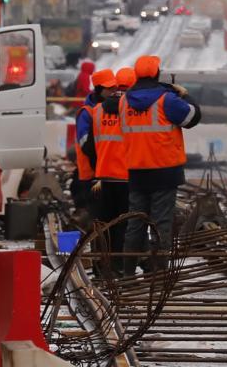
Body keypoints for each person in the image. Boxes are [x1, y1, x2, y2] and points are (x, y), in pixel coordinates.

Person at [119, 54, 202, 275]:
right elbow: (192, 118)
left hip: (137, 171)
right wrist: (186, 96)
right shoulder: (167, 100)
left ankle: (127, 272)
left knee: (135, 222)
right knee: (161, 222)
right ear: (157, 73)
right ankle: (158, 273)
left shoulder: (123, 101)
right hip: (165, 172)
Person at [90, 67, 137, 272]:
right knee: (123, 225)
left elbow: (94, 144)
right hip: (126, 176)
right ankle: (118, 266)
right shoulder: (133, 109)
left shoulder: (97, 110)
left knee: (104, 224)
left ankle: (102, 267)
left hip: (103, 175)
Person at [73, 68, 116, 215]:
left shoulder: (110, 109)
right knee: (94, 219)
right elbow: (87, 146)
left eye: (114, 87)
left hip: (107, 173)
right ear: (98, 89)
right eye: (109, 88)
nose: (113, 91)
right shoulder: (87, 113)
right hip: (90, 175)